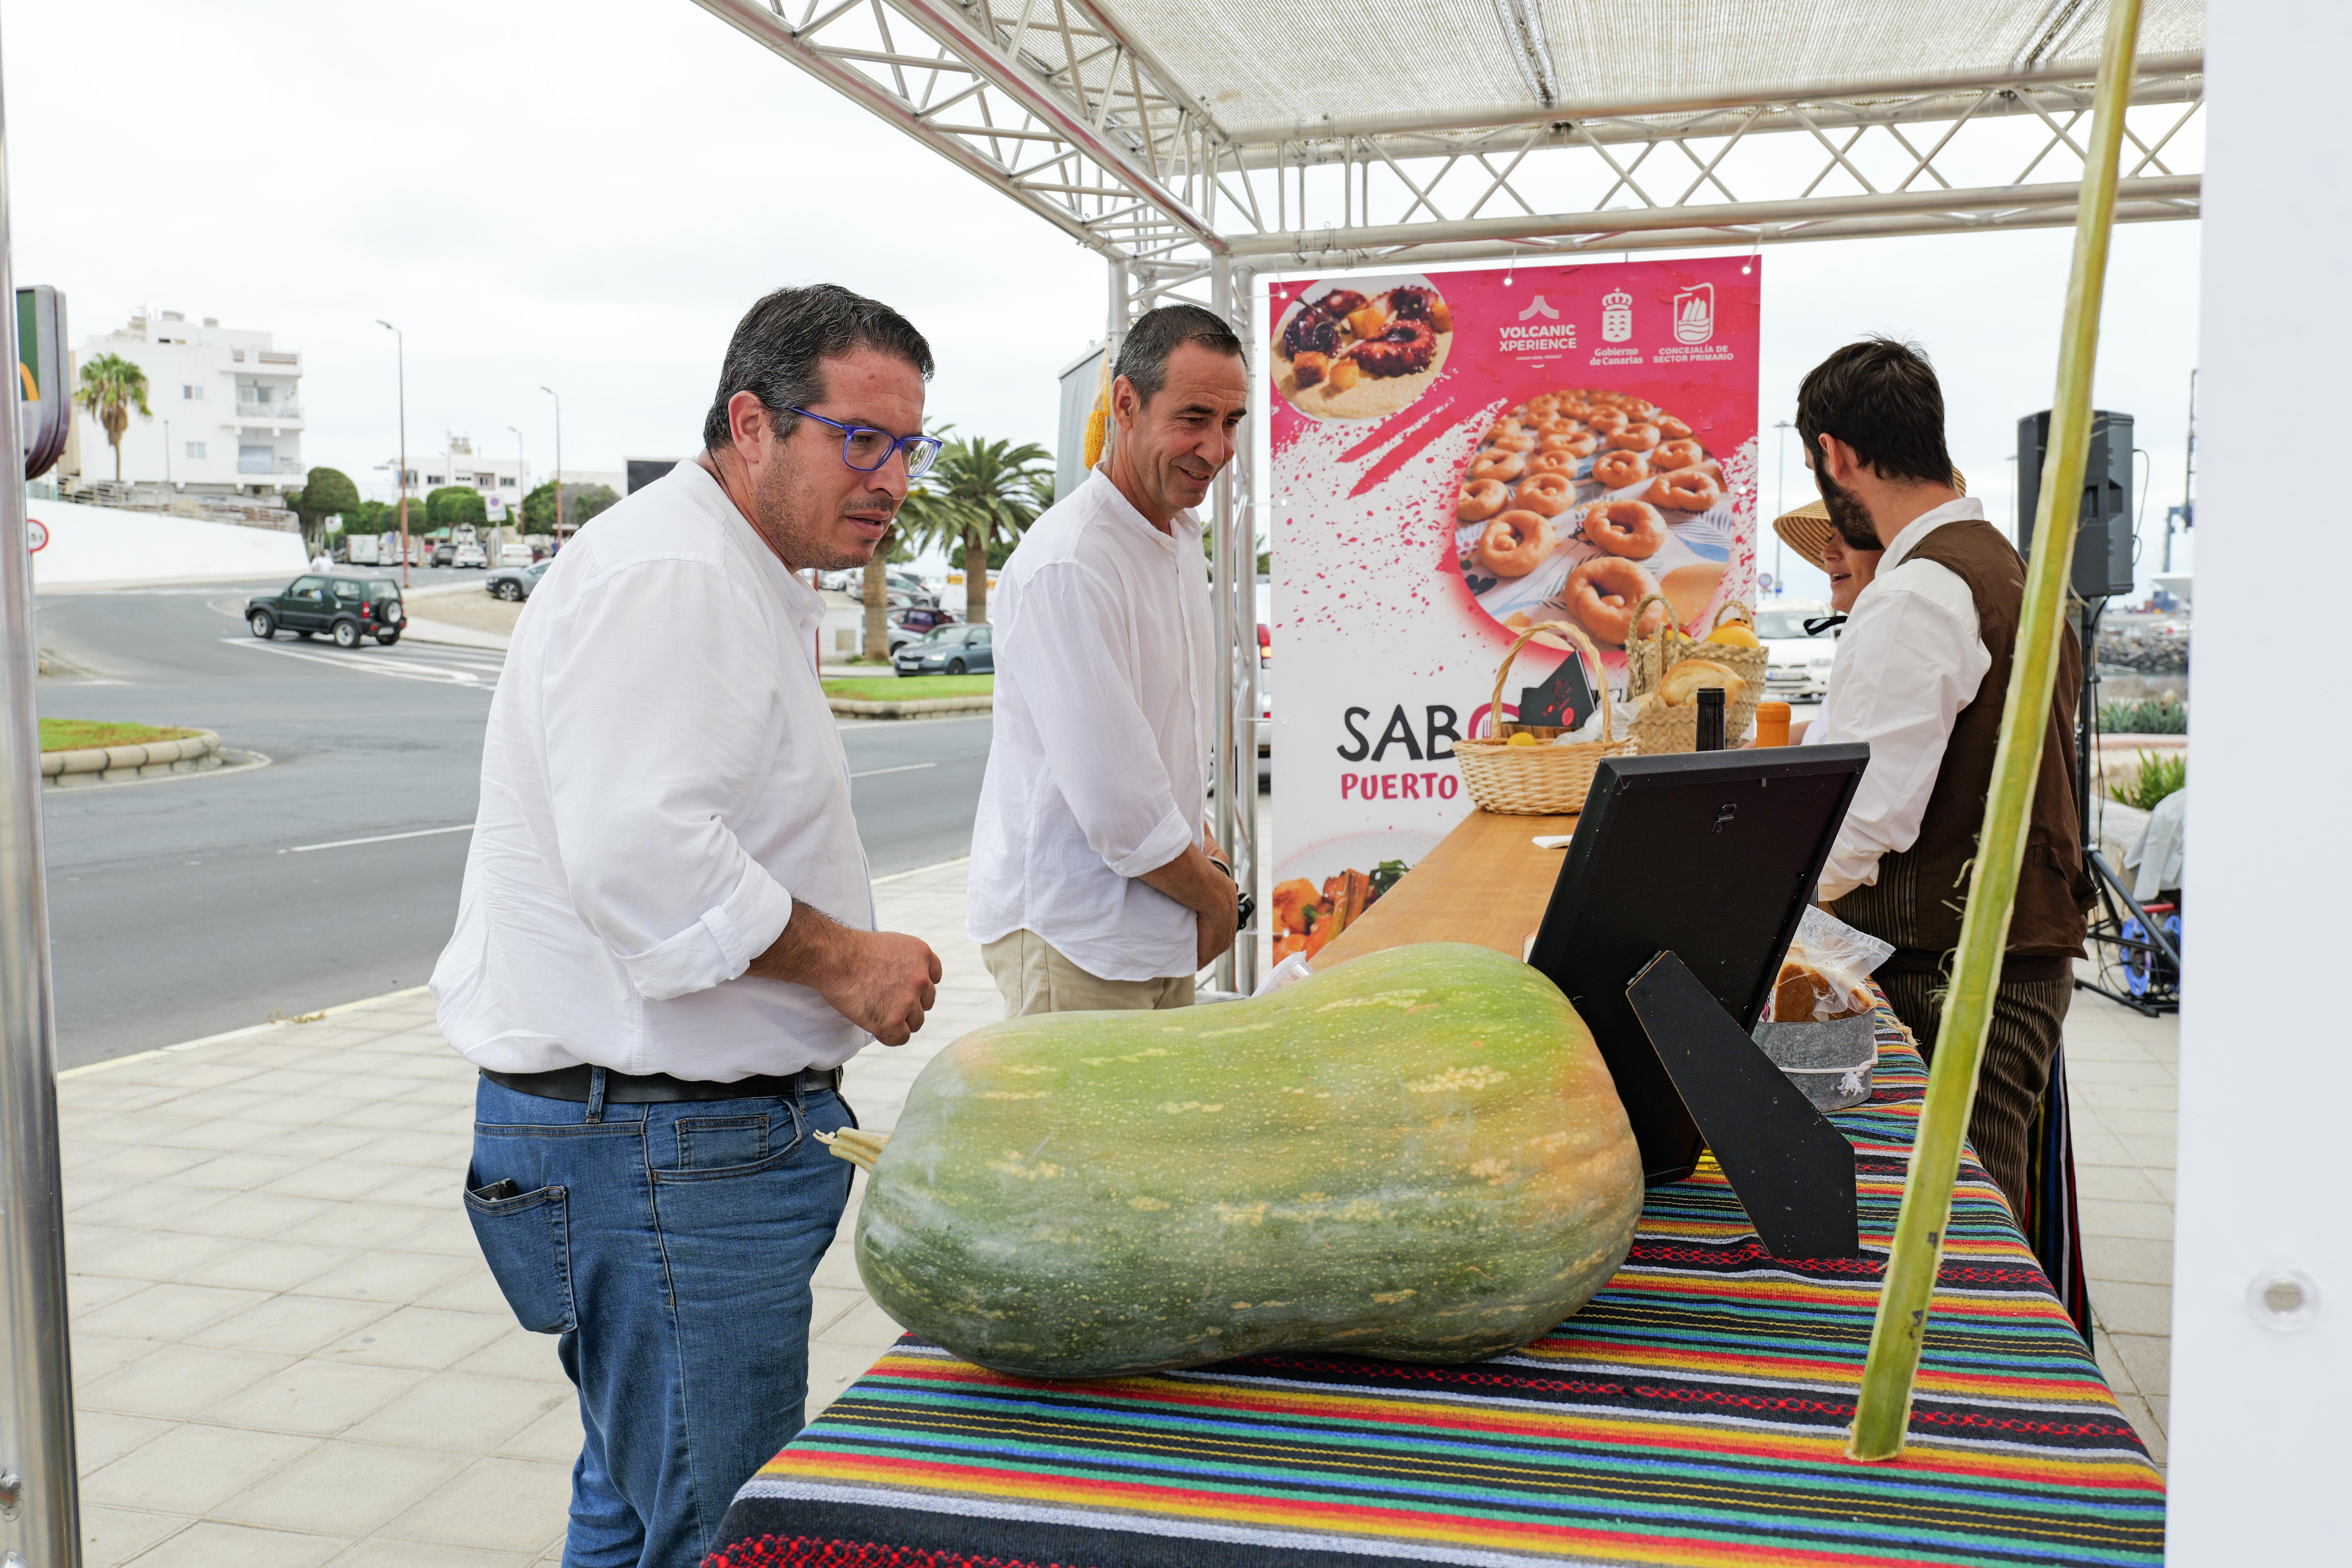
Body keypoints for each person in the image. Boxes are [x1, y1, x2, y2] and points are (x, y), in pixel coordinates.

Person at [431, 284, 946, 1567]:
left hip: (657, 1145)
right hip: (655, 1152)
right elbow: (644, 857)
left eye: (908, 447)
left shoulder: (732, 567)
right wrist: (851, 964)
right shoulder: (678, 573)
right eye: (860, 439)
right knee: (716, 1533)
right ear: (752, 423)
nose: (888, 478)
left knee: (634, 1504)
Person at [1793, 337, 2093, 1330]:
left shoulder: (1920, 589)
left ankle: (1990, 1446)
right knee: (1982, 1224)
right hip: (2014, 941)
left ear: (1835, 456)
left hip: (1960, 961)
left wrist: (1767, 910)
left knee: (1959, 1253)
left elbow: (1862, 815)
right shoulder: (2006, 564)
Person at [968, 305, 1248, 1015]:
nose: (1216, 449)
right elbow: (1120, 806)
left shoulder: (1178, 539)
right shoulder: (1072, 562)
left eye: (1232, 422)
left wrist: (1208, 862)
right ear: (1125, 404)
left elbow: (1164, 754)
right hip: (1078, 941)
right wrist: (1217, 896)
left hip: (1155, 925)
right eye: (1193, 419)